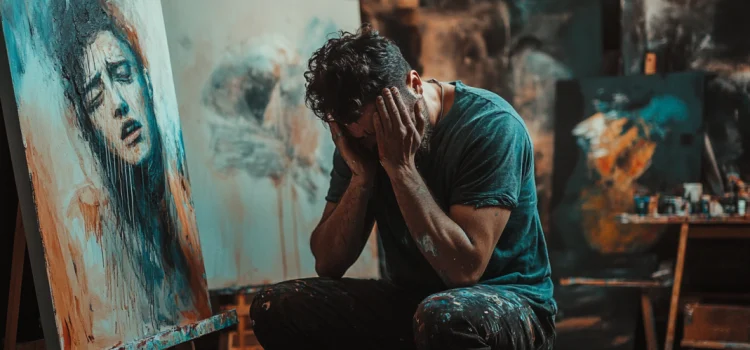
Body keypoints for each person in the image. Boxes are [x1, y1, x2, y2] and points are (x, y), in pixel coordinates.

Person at [250, 23, 556, 350]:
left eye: (381, 128)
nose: (374, 143)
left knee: (443, 317)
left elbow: (464, 271)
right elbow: (328, 263)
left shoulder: (490, 126)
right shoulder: (360, 144)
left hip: (509, 303)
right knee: (278, 305)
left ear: (413, 84)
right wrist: (362, 179)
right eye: (363, 136)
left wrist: (400, 168)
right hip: (415, 302)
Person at [52, 1, 210, 342]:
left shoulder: (179, 199)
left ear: (146, 82)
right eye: (96, 100)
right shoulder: (91, 225)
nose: (118, 104)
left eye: (123, 74)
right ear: (90, 128)